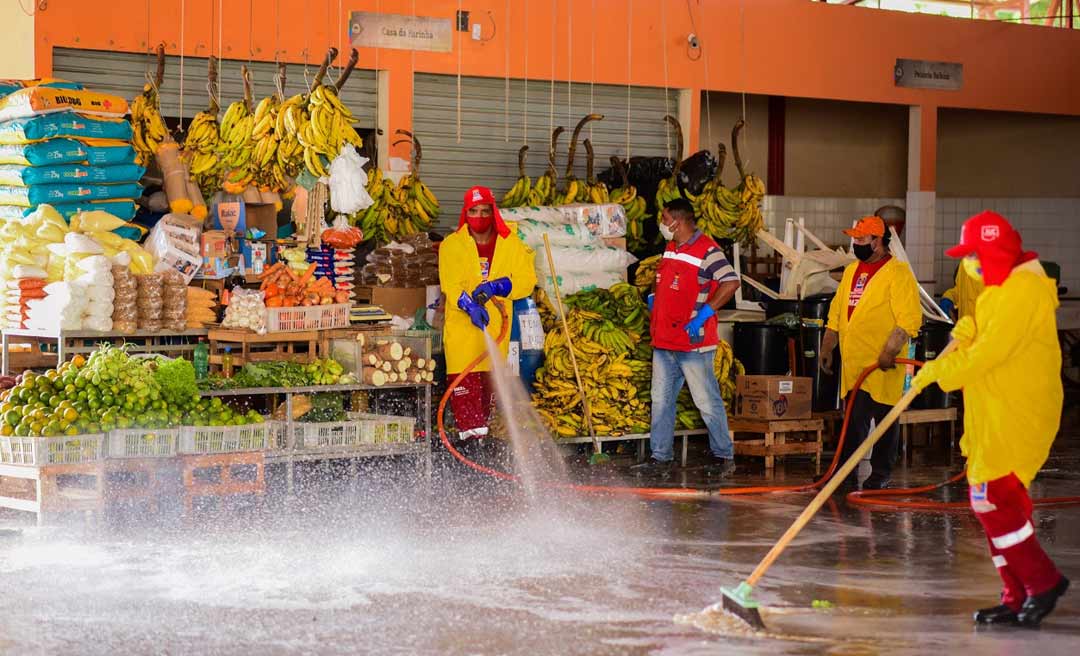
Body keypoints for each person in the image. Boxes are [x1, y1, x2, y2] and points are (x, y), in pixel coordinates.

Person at [912, 211, 1068, 628]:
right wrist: (964, 329)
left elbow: (989, 353)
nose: (971, 265)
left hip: (1016, 412)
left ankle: (1042, 582)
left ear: (996, 252)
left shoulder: (1023, 291)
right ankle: (1016, 595)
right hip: (992, 411)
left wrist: (935, 372)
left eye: (976, 256)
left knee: (996, 503)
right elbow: (982, 326)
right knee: (995, 505)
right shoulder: (1001, 289)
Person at [630, 198, 741, 478]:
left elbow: (731, 281)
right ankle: (660, 457)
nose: (662, 223)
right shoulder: (671, 248)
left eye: (664, 218)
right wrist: (656, 300)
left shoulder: (708, 250)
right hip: (664, 340)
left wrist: (704, 315)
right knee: (661, 400)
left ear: (676, 222)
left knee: (706, 400)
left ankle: (723, 456)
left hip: (693, 342)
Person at [819, 216, 921, 491]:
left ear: (878, 242)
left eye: (862, 240)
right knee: (853, 422)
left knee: (886, 420)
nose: (856, 244)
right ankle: (845, 475)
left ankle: (880, 475)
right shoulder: (853, 271)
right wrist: (828, 346)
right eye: (855, 239)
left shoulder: (898, 274)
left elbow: (909, 319)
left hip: (882, 363)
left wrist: (890, 350)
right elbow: (836, 313)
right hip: (855, 365)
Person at [439, 185, 537, 451]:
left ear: (493, 212)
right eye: (473, 211)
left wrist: (500, 286)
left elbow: (527, 281)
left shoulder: (512, 244)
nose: (479, 216)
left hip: (495, 334)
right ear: (465, 212)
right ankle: (471, 457)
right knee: (466, 400)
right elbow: (451, 283)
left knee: (487, 402)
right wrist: (469, 305)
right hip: (462, 337)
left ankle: (480, 455)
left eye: (485, 210)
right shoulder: (452, 245)